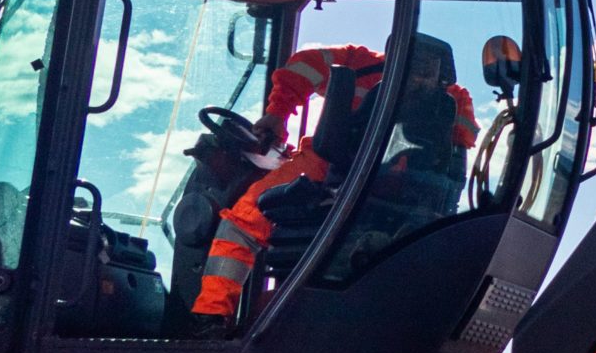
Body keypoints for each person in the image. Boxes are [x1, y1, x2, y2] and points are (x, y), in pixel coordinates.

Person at [190, 37, 475, 325]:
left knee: (242, 223)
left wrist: (276, 115)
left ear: (441, 72)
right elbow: (456, 154)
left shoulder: (359, 63)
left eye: (426, 68)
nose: (418, 75)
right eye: (414, 63)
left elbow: (301, 66)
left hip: (331, 170)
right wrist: (277, 114)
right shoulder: (453, 98)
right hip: (396, 190)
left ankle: (210, 316)